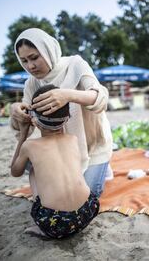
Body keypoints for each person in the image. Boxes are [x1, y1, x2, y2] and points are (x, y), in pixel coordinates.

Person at [10, 28, 113, 198]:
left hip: (93, 144)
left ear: (48, 50)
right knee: (29, 161)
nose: (31, 66)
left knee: (88, 196)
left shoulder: (75, 65)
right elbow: (25, 120)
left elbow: (100, 97)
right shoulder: (32, 82)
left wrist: (67, 94)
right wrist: (16, 110)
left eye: (34, 57)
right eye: (24, 61)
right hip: (61, 146)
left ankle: (103, 165)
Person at [11, 84, 99, 239]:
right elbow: (57, 129)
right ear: (66, 119)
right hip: (88, 211)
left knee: (32, 171)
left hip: (55, 224)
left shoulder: (30, 146)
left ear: (35, 121)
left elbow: (15, 172)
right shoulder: (72, 139)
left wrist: (23, 132)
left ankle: (42, 229)